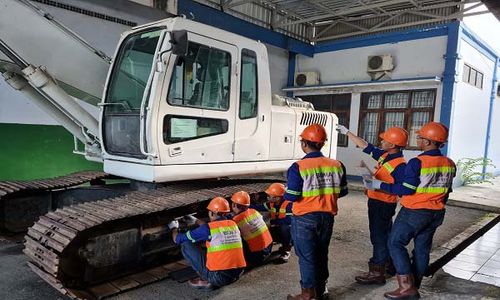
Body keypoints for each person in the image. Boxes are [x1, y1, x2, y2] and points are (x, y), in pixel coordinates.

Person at [363, 122, 456, 299]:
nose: (418, 139)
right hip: (436, 213)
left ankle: (406, 288)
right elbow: (446, 191)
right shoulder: (449, 163)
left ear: (428, 142)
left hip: (415, 211)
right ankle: (415, 286)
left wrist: (378, 184)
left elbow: (406, 189)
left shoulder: (417, 162)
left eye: (420, 137)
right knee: (421, 249)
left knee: (395, 243)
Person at [337, 125, 408, 285]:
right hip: (376, 201)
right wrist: (347, 133)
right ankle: (391, 265)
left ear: (393, 145)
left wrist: (378, 185)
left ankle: (377, 272)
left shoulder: (400, 165)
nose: (381, 141)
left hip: (383, 205)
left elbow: (402, 189)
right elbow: (366, 146)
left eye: (385, 140)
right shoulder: (385, 156)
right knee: (385, 234)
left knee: (378, 237)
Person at [285, 123, 348, 300]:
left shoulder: (298, 167)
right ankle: (322, 289)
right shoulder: (337, 164)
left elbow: (292, 196)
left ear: (304, 144)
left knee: (306, 256)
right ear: (322, 144)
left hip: (305, 218)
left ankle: (308, 293)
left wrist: (286, 190)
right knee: (322, 252)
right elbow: (341, 192)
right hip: (327, 217)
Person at [168, 197, 246, 290]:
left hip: (219, 278)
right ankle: (213, 278)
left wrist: (174, 227)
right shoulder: (233, 224)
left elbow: (177, 239)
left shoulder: (207, 229)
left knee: (186, 244)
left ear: (212, 213)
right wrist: (196, 221)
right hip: (238, 273)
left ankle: (207, 279)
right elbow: (213, 226)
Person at [252, 182, 293, 263]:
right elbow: (259, 207)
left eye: (269, 195)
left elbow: (289, 220)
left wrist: (274, 221)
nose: (267, 197)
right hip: (278, 226)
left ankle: (286, 250)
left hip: (291, 231)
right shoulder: (272, 203)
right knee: (265, 230)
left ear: (277, 198)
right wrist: (244, 206)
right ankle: (266, 252)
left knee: (285, 228)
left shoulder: (288, 204)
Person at [230, 191, 273, 266]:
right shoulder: (254, 211)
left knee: (233, 239)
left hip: (257, 256)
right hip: (269, 248)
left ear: (234, 205)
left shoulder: (236, 220)